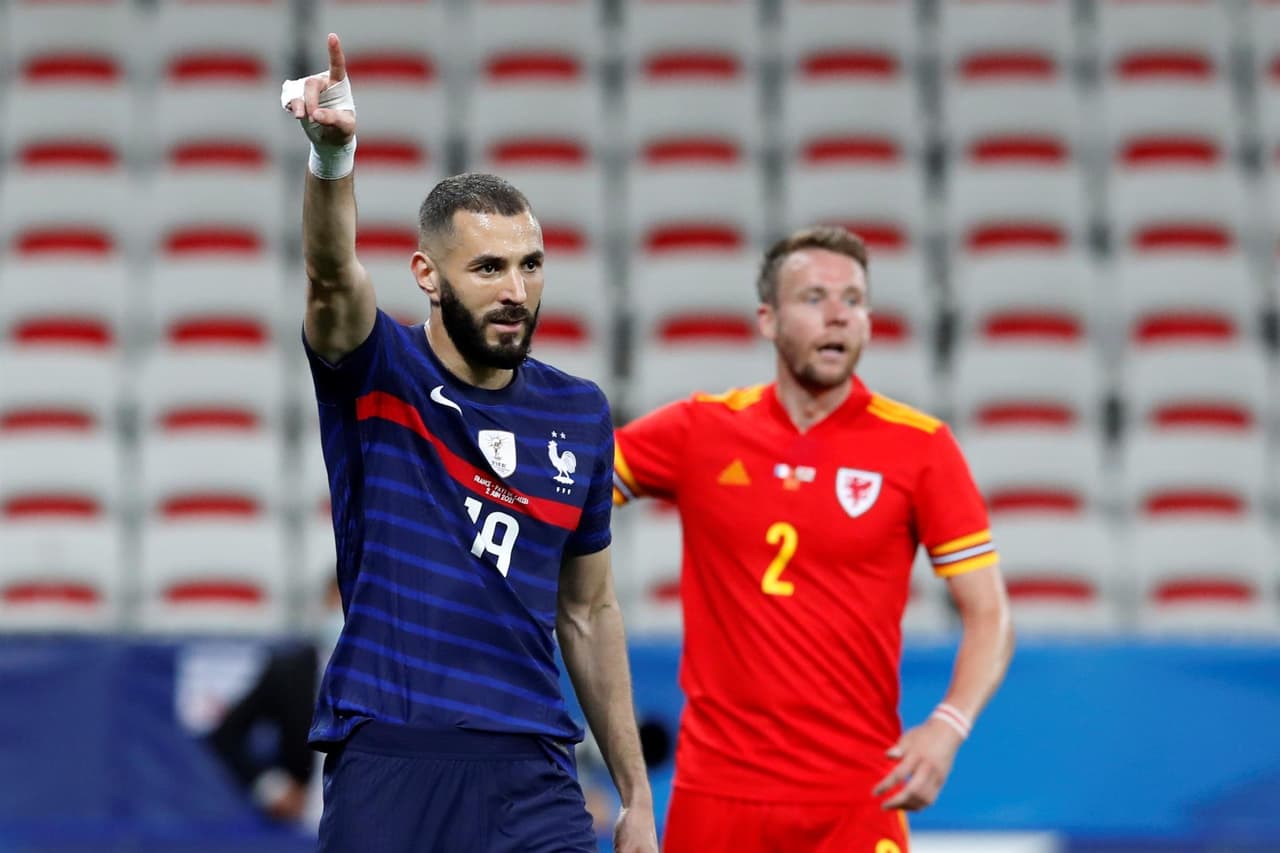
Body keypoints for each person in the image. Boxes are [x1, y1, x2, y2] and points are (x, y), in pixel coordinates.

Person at [280, 33, 658, 853]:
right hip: (391, 756)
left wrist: (635, 794)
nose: (516, 290)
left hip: (534, 773)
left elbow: (588, 610)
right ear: (427, 274)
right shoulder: (378, 369)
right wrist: (332, 161)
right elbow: (332, 276)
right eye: (488, 269)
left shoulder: (580, 412)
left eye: (531, 265)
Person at [612, 226, 1015, 852]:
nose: (838, 315)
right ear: (768, 319)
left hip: (854, 795)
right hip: (716, 792)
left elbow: (990, 614)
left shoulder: (921, 448)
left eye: (854, 300)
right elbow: (566, 498)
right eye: (815, 297)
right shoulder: (701, 429)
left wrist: (947, 726)